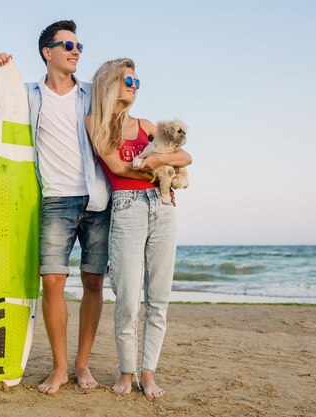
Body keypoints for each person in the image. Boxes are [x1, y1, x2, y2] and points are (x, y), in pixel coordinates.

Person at [0, 20, 111, 395]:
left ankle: (82, 363)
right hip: (54, 199)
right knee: (53, 281)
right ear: (47, 52)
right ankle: (60, 368)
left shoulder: (93, 94)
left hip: (97, 199)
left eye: (79, 46)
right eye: (68, 45)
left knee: (93, 281)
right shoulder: (28, 95)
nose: (76, 51)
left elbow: (125, 121)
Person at [85, 58, 192, 399]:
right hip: (127, 208)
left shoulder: (147, 125)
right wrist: (160, 169)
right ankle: (126, 372)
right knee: (128, 301)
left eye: (136, 82)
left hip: (163, 207)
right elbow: (118, 167)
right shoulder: (95, 123)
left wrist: (158, 161)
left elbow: (185, 156)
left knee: (158, 299)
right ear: (109, 83)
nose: (133, 86)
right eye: (127, 81)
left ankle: (148, 374)